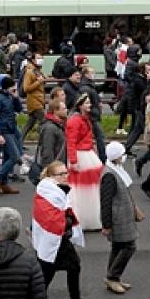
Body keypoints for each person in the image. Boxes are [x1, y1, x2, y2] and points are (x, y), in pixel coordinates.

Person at [32, 161, 95, 299]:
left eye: (66, 173)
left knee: (74, 267)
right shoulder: (48, 192)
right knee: (45, 277)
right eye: (61, 174)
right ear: (51, 177)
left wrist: (67, 221)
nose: (66, 176)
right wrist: (67, 221)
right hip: (52, 241)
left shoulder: (56, 190)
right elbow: (51, 219)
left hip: (60, 239)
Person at [100, 142, 139, 294]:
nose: (124, 157)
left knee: (118, 247)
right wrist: (107, 224)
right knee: (129, 246)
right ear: (116, 157)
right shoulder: (110, 175)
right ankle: (112, 276)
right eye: (122, 154)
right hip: (118, 219)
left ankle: (113, 276)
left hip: (123, 216)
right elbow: (106, 201)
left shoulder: (116, 170)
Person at [66, 94, 104, 231]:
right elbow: (71, 142)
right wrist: (74, 161)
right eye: (87, 103)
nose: (90, 105)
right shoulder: (76, 121)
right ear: (80, 105)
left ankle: (86, 219)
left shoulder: (83, 119)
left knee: (88, 190)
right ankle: (85, 219)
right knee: (84, 191)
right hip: (82, 156)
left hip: (86, 155)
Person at [80, 65, 107, 162]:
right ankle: (103, 158)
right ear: (86, 74)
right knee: (99, 137)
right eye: (91, 72)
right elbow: (85, 103)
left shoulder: (89, 85)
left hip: (93, 115)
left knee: (95, 137)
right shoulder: (86, 87)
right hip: (92, 116)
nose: (93, 74)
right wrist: (94, 111)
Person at [21, 52, 46, 141]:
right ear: (33, 60)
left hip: (38, 100)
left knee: (30, 124)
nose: (41, 60)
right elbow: (26, 88)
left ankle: (19, 142)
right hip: (34, 101)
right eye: (38, 58)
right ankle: (44, 141)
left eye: (41, 58)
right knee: (45, 121)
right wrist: (39, 82)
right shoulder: (29, 71)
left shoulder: (37, 70)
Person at [39, 99, 67, 166]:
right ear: (55, 111)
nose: (66, 110)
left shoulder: (60, 125)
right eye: (64, 109)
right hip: (55, 169)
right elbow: (47, 152)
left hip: (60, 166)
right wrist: (50, 170)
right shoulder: (50, 128)